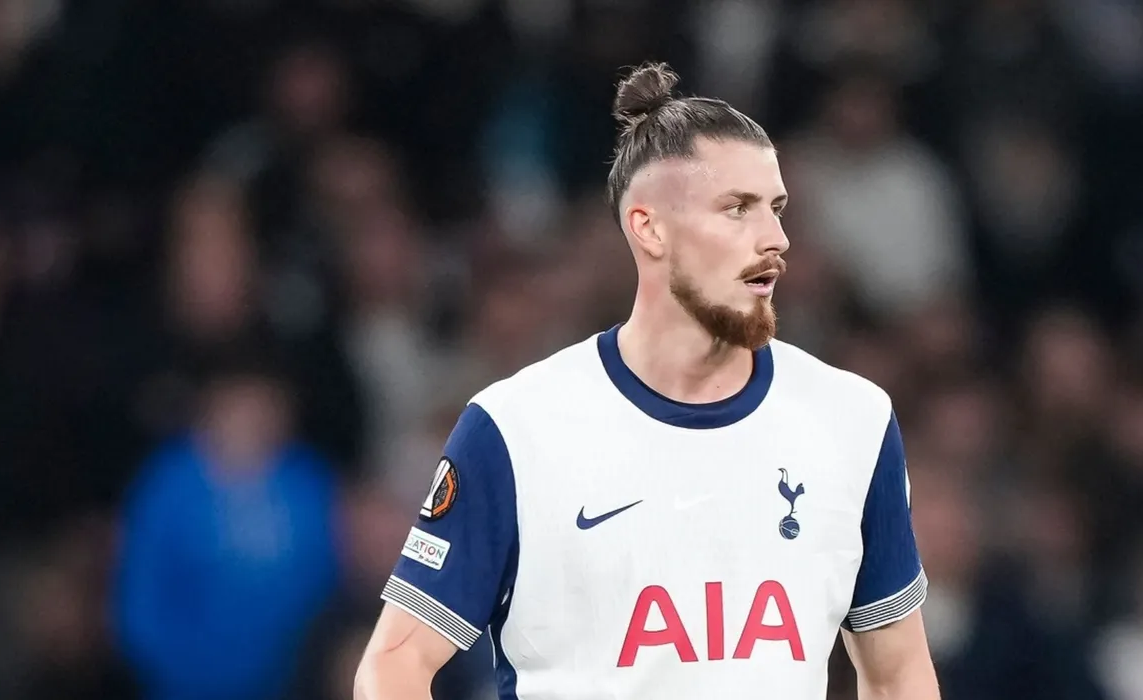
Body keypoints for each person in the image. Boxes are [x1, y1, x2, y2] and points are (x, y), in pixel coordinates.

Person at [354, 62, 939, 700]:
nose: (775, 239)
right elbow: (395, 665)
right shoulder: (516, 429)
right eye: (737, 209)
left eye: (777, 209)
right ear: (649, 227)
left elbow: (898, 674)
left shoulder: (852, 420)